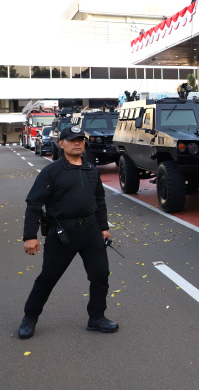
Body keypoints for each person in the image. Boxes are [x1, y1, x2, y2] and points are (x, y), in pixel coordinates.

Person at [18, 125, 118, 339]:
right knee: (48, 278)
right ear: (61, 143)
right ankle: (30, 317)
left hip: (91, 230)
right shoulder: (51, 172)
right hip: (62, 233)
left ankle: (97, 317)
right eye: (72, 140)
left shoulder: (91, 170)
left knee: (100, 275)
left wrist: (104, 228)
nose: (77, 143)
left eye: (80, 140)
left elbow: (99, 200)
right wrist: (30, 236)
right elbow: (34, 203)